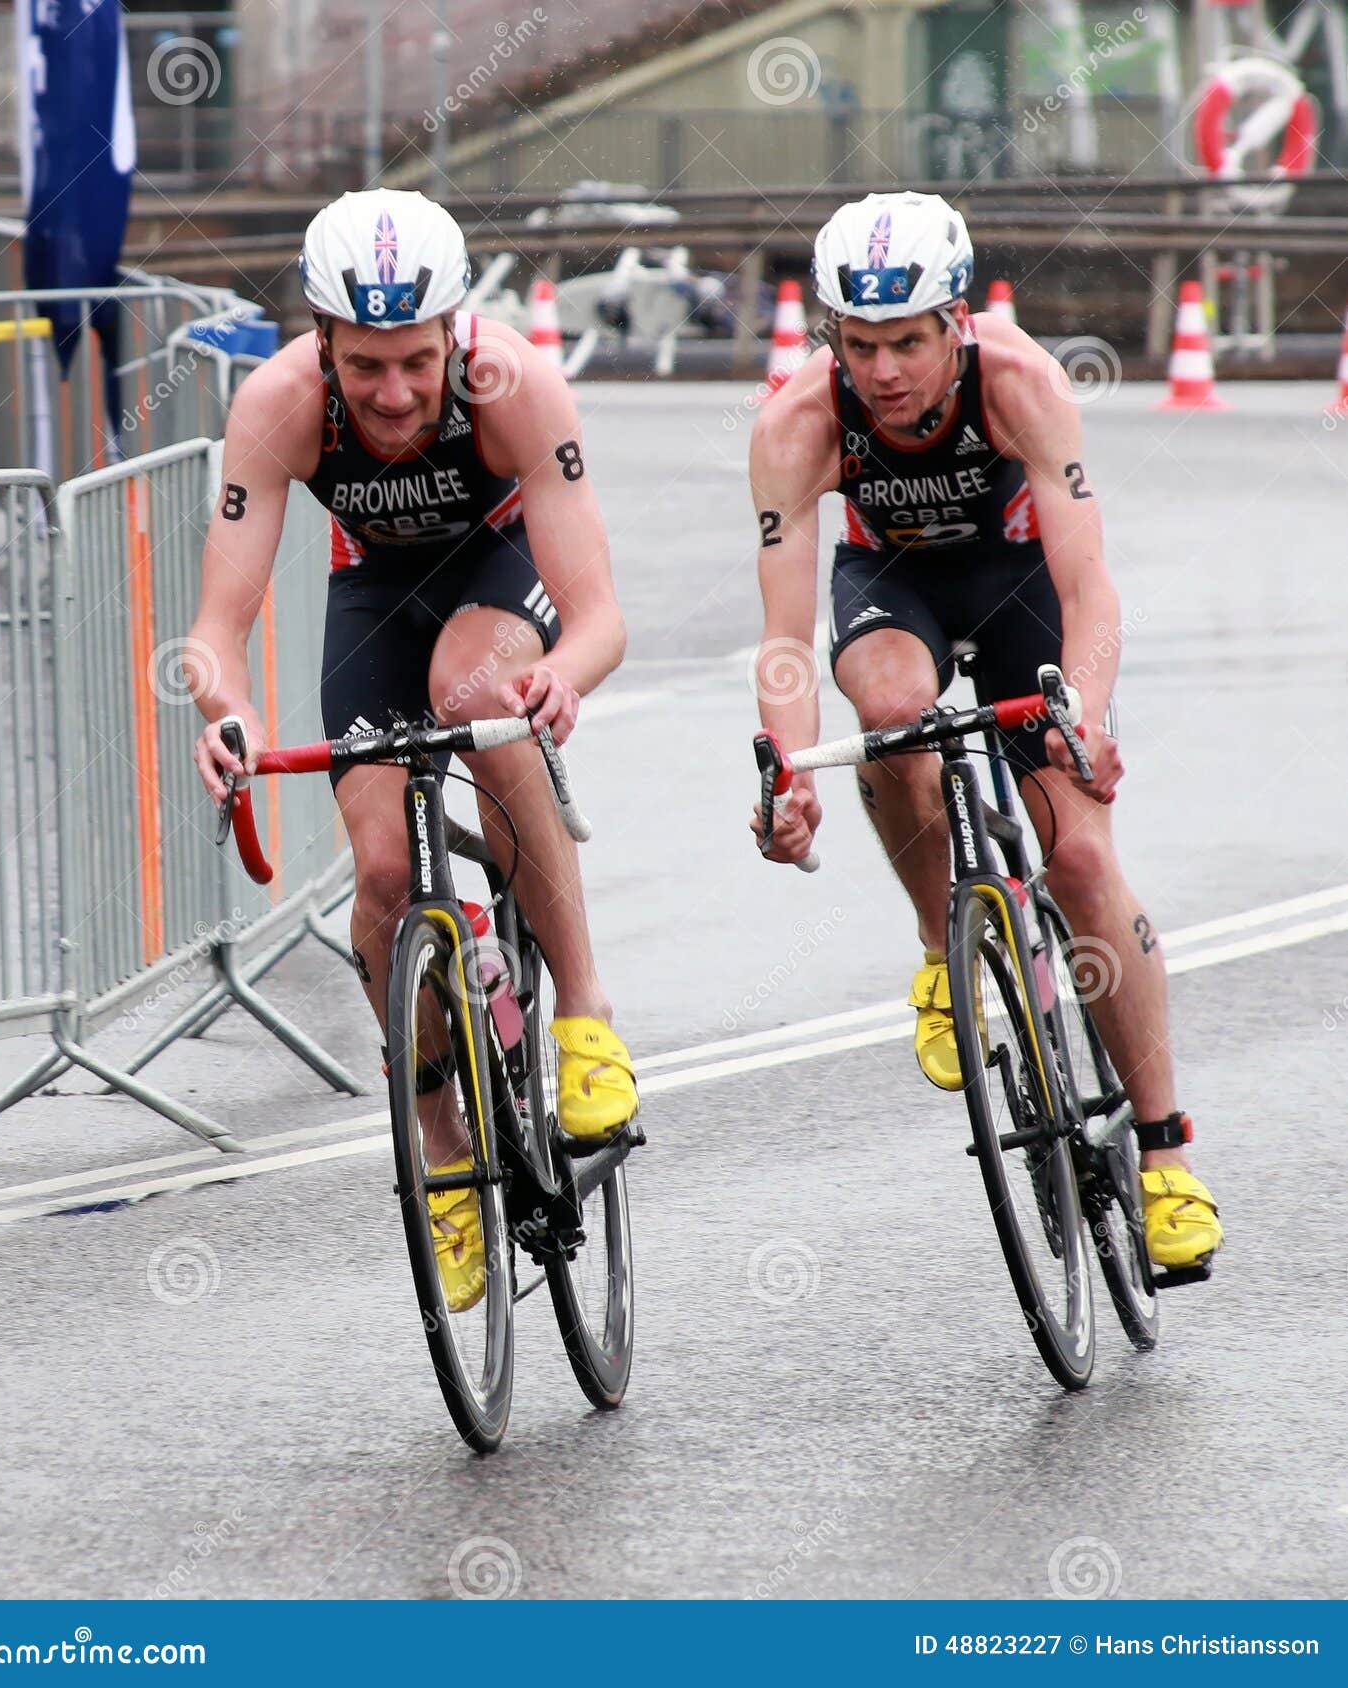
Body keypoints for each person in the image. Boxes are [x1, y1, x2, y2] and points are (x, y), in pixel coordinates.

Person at [747, 190, 1220, 1275]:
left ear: (955, 321)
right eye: (856, 344)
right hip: (892, 585)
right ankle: (938, 947)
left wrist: (1083, 720)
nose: (883, 372)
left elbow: (1087, 584)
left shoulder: (1021, 384)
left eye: (907, 342)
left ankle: (1164, 1158)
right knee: (889, 714)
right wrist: (785, 767)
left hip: (1021, 589)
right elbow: (781, 632)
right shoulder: (797, 424)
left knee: (1084, 859)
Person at [187, 189, 638, 1310]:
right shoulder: (280, 403)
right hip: (374, 597)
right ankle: (442, 1148)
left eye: (414, 363)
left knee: (472, 691)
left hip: (494, 578)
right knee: (384, 876)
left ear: (454, 337)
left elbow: (599, 617)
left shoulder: (515, 386)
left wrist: (560, 678)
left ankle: (581, 1011)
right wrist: (224, 713)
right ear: (322, 340)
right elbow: (215, 627)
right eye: (365, 366)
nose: (392, 394)